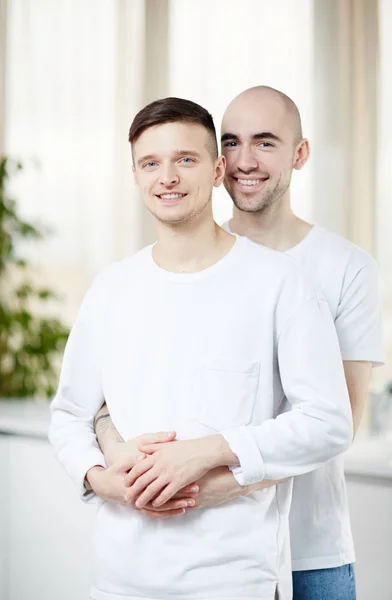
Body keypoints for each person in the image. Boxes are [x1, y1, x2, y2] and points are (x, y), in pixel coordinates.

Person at [49, 96, 353, 600]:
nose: (167, 176)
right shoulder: (112, 288)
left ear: (216, 170)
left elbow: (328, 422)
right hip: (118, 578)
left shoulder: (281, 284)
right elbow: (68, 415)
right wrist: (104, 480)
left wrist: (206, 454)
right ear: (135, 175)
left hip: (233, 582)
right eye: (151, 163)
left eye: (185, 160)